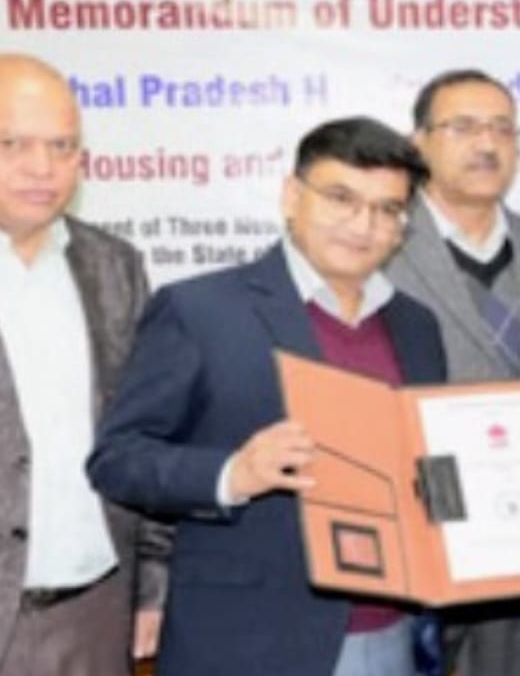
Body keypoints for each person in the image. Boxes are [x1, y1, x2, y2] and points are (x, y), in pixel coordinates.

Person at [87, 116, 445, 676]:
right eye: (341, 199)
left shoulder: (416, 325)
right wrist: (233, 473)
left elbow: (432, 471)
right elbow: (118, 459)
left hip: (392, 635)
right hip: (248, 641)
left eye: (387, 209)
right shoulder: (199, 310)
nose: (363, 225)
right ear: (291, 196)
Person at [386, 69, 520, 676]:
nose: (486, 144)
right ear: (418, 143)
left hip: (518, 536)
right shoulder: (378, 243)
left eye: (502, 129)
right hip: (411, 532)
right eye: (463, 127)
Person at [0, 53, 166, 676]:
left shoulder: (114, 266)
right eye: (12, 144)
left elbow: (148, 431)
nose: (41, 167)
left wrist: (153, 579)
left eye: (62, 146)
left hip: (96, 611)